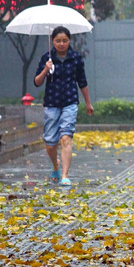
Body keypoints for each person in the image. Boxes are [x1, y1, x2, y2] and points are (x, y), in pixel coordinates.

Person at [33, 26, 94, 186]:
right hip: (51, 104)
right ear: (52, 41)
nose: (61, 44)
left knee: (66, 137)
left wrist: (88, 103)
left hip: (70, 102)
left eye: (64, 40)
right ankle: (56, 165)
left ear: (69, 41)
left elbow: (82, 82)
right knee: (50, 142)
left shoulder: (75, 58)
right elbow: (37, 82)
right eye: (58, 41)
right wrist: (46, 69)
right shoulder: (47, 58)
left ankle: (65, 175)